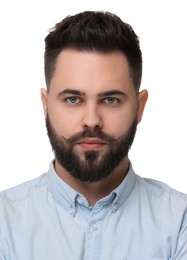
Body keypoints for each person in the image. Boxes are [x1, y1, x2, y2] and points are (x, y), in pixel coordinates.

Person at [0, 10, 187, 260]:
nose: (91, 120)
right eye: (73, 99)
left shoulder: (179, 222)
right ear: (45, 105)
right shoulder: (4, 222)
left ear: (139, 107)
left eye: (110, 100)